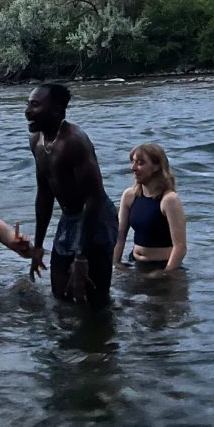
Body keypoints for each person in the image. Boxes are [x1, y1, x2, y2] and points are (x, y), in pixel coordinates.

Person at [25, 83, 118, 310]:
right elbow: (44, 194)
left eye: (35, 105)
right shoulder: (36, 140)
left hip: (95, 217)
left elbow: (93, 199)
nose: (27, 112)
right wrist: (38, 246)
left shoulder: (74, 142)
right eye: (28, 104)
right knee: (60, 295)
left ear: (57, 110)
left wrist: (81, 256)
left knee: (95, 299)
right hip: (69, 217)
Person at [112, 143, 187, 275]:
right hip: (134, 263)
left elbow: (180, 247)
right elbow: (120, 236)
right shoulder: (129, 196)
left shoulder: (169, 200)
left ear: (157, 167)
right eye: (133, 162)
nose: (133, 168)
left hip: (163, 266)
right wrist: (114, 265)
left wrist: (165, 273)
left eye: (140, 163)